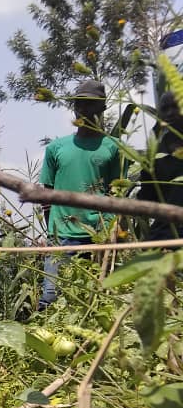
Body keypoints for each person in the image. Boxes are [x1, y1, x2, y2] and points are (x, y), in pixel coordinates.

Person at [37, 79, 122, 309]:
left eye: (90, 105)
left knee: (97, 300)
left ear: (102, 109)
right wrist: (52, 233)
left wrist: (111, 234)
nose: (84, 109)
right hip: (61, 236)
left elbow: (116, 191)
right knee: (51, 298)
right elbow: (47, 195)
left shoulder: (112, 147)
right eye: (79, 104)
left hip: (98, 236)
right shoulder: (57, 148)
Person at [137, 88, 183, 242]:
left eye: (175, 106)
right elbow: (147, 197)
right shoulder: (154, 152)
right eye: (164, 109)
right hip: (165, 234)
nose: (169, 113)